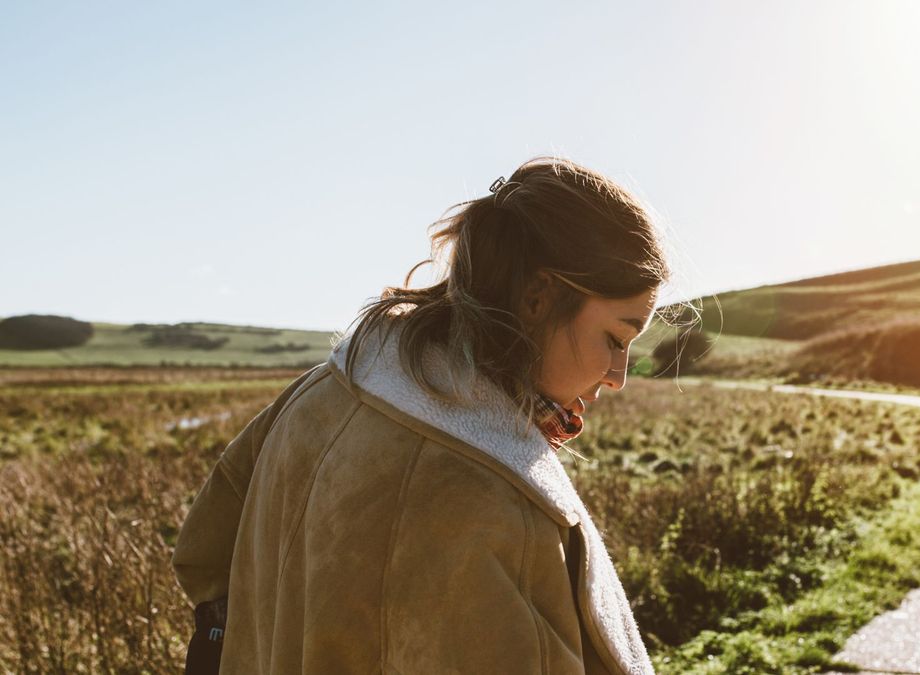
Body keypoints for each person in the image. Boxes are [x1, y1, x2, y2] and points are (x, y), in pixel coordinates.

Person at [171, 156, 677, 674]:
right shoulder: (491, 500)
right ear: (537, 297)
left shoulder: (320, 391)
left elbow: (203, 557)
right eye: (615, 338)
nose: (618, 376)